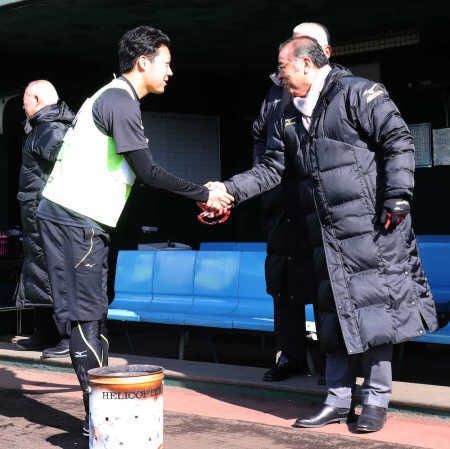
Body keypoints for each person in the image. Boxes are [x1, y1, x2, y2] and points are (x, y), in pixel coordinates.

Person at [205, 36, 438, 432]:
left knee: (376, 314)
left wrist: (398, 196)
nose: (278, 75)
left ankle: (376, 400)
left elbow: (398, 140)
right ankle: (337, 399)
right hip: (323, 235)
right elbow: (271, 169)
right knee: (331, 317)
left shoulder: (358, 93)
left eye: (282, 67)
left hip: (371, 227)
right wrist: (228, 190)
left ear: (306, 64)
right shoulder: (286, 113)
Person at [36, 25, 232, 437]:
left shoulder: (114, 98)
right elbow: (148, 171)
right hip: (75, 217)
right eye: (166, 63)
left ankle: (102, 416)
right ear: (143, 62)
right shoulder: (119, 101)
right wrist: (203, 194)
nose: (170, 72)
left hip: (79, 218)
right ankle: (100, 422)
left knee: (93, 316)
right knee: (86, 318)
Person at [252, 22, 332, 382]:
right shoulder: (275, 89)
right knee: (282, 283)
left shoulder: (337, 88)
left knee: (323, 284)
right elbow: (259, 135)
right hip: (279, 203)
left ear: (322, 54)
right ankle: (289, 356)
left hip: (315, 202)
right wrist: (263, 178)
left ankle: (332, 363)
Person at [15, 80, 74, 358]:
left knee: (54, 271)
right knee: (38, 271)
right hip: (36, 214)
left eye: (25, 101)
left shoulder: (51, 128)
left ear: (37, 99)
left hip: (48, 214)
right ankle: (45, 333)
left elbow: (70, 165)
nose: (23, 107)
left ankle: (66, 336)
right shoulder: (42, 127)